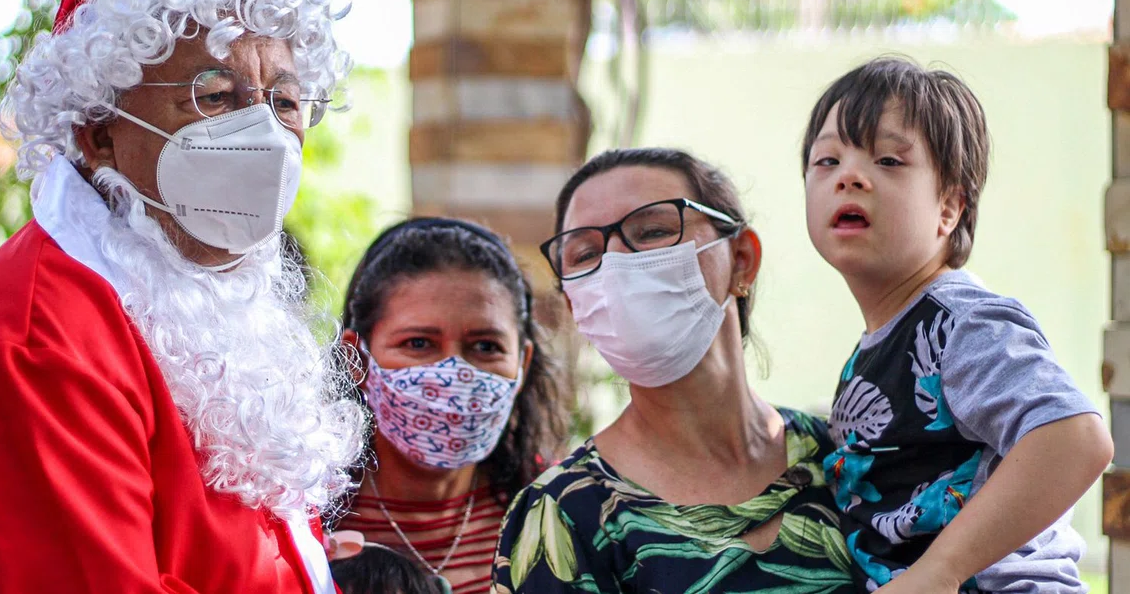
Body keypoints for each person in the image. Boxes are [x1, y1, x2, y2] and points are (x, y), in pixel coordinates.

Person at [0, 0, 366, 592]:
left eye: (285, 102)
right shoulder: (33, 341)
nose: (266, 135)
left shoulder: (201, 284)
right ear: (99, 130)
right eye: (216, 95)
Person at [801, 56, 1114, 593]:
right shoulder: (877, 347)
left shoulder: (961, 323)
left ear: (948, 208)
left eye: (889, 161)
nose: (850, 176)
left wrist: (939, 572)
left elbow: (1075, 438)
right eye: (827, 160)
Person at [492, 148, 855, 593]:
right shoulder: (561, 516)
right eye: (585, 254)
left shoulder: (848, 460)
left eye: (653, 231)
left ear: (741, 258)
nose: (617, 264)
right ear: (574, 303)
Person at [334, 218, 568, 594]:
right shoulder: (300, 523)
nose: (454, 372)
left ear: (521, 364)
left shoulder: (562, 510)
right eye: (419, 343)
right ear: (356, 359)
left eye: (486, 347)